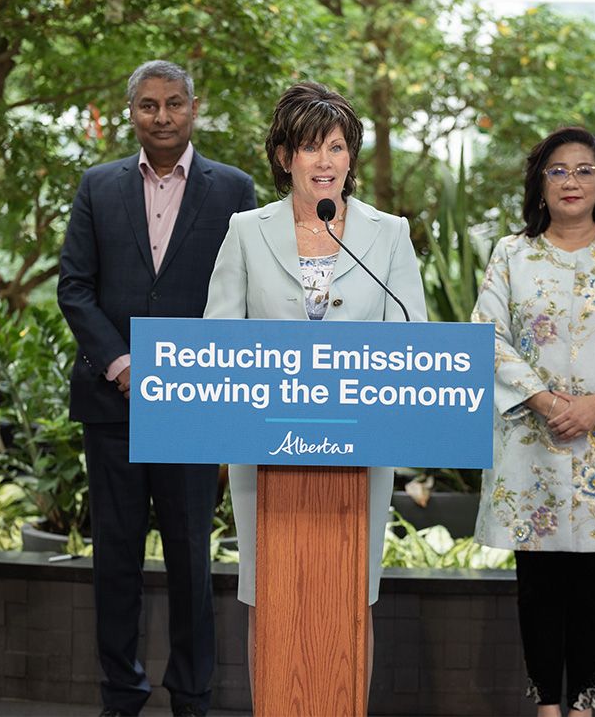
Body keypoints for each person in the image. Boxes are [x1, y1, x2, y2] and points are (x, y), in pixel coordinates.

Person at [202, 81, 427, 685]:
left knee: (352, 598)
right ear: (284, 157)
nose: (324, 162)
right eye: (309, 148)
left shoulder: (390, 233)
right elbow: (217, 341)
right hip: (266, 449)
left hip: (359, 450)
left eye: (336, 147)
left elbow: (414, 339)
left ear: (351, 157)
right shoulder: (247, 230)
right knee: (268, 596)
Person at [57, 60, 256, 717]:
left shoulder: (233, 190)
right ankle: (121, 695)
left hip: (196, 408)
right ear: (131, 111)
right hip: (112, 404)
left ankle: (193, 698)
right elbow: (76, 288)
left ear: (194, 108)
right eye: (148, 105)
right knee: (115, 561)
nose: (162, 116)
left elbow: (245, 292)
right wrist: (121, 365)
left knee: (191, 564)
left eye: (173, 103)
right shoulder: (97, 185)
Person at [472, 127, 595, 716]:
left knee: (591, 582)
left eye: (584, 170)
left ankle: (581, 703)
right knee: (537, 581)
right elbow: (488, 334)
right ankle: (545, 705)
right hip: (532, 440)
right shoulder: (512, 253)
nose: (571, 182)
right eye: (558, 170)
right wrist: (542, 400)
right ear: (539, 183)